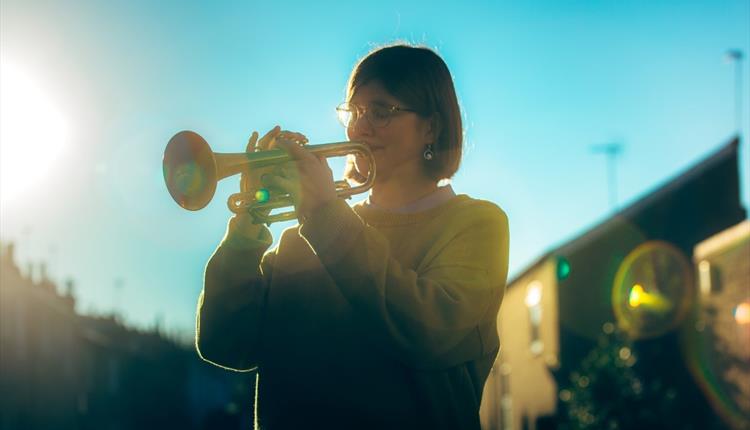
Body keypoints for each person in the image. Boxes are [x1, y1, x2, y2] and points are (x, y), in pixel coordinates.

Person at [196, 43, 510, 429]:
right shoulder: (302, 238)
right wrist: (250, 221)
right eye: (354, 111)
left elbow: (428, 332)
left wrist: (325, 215)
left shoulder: (475, 224)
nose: (359, 127)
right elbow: (225, 342)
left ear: (431, 126)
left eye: (381, 112)